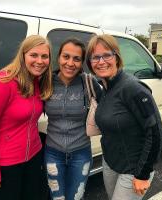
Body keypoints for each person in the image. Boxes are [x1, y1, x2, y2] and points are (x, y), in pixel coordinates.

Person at [86, 34, 162, 200]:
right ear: (90, 63)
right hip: (111, 163)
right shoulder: (104, 88)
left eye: (107, 55)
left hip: (134, 168)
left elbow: (156, 132)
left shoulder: (133, 88)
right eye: (95, 57)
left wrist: (142, 174)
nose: (101, 61)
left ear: (117, 57)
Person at [0, 35, 53, 200]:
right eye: (34, 55)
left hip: (34, 157)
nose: (39, 61)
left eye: (44, 56)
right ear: (23, 55)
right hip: (7, 163)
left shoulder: (38, 82)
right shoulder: (4, 81)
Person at [44, 38, 102, 200]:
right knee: (57, 198)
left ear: (82, 62)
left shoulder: (89, 82)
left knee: (76, 197)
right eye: (66, 57)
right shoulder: (46, 82)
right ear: (58, 58)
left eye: (76, 59)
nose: (70, 63)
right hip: (52, 153)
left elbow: (107, 108)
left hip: (81, 153)